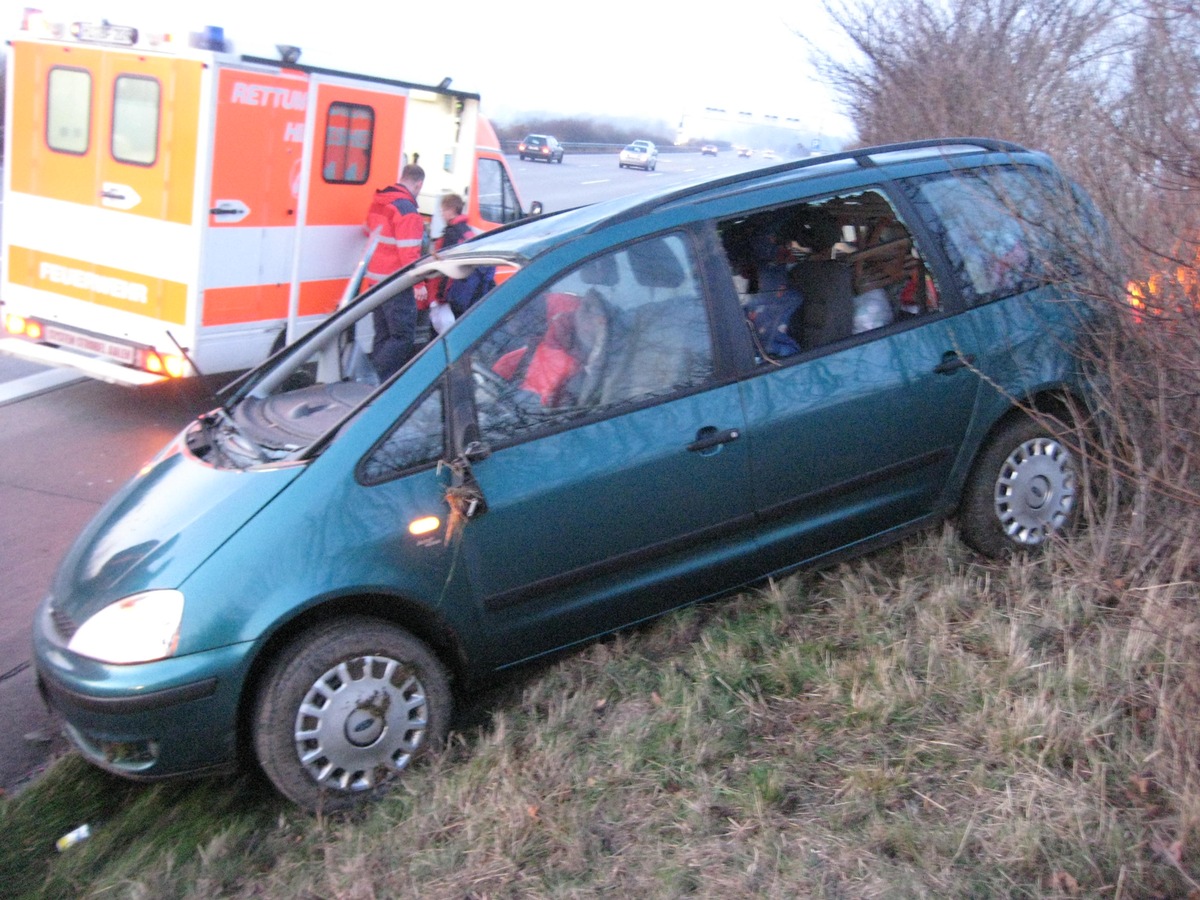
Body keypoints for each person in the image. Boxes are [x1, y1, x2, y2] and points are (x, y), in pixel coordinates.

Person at [363, 163, 425, 377]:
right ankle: (377, 378)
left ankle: (373, 381)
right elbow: (409, 254)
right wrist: (419, 284)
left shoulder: (379, 202)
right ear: (418, 184)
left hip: (374, 282)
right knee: (402, 337)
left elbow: (367, 231)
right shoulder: (407, 211)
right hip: (395, 284)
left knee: (382, 334)